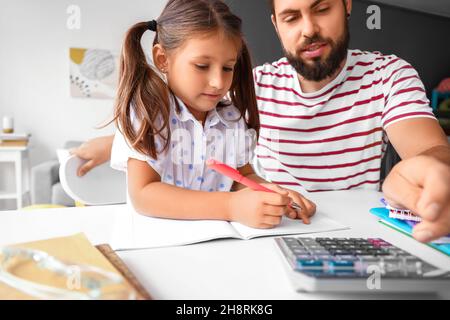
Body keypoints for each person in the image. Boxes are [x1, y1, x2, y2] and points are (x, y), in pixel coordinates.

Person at [71, 0, 449, 242]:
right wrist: (119, 142)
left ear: (347, 5)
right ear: (275, 23)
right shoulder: (243, 90)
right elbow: (154, 173)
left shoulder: (233, 109)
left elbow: (240, 172)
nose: (219, 82)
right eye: (291, 16)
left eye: (321, 9)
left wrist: (269, 191)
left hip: (293, 236)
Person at [103, 0, 315, 229]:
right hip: (162, 243)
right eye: (202, 66)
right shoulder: (148, 112)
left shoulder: (231, 119)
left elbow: (241, 178)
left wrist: (270, 194)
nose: (218, 82)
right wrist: (231, 207)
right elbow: (143, 194)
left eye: (227, 68)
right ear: (163, 59)